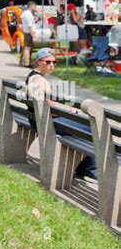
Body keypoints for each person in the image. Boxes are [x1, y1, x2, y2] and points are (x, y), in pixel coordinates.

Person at [25, 48, 97, 182]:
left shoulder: (32, 77)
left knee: (82, 127)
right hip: (49, 124)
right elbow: (49, 106)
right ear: (38, 62)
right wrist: (69, 111)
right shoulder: (40, 81)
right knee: (90, 126)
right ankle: (90, 170)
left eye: (54, 62)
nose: (51, 65)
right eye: (47, 62)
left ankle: (85, 168)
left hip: (39, 122)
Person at [20, 0, 37, 67]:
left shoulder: (25, 13)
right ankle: (27, 63)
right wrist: (33, 36)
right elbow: (30, 26)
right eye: (35, 6)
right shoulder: (28, 15)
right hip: (28, 33)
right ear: (31, 6)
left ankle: (26, 62)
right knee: (27, 48)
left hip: (26, 32)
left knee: (27, 48)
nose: (35, 8)